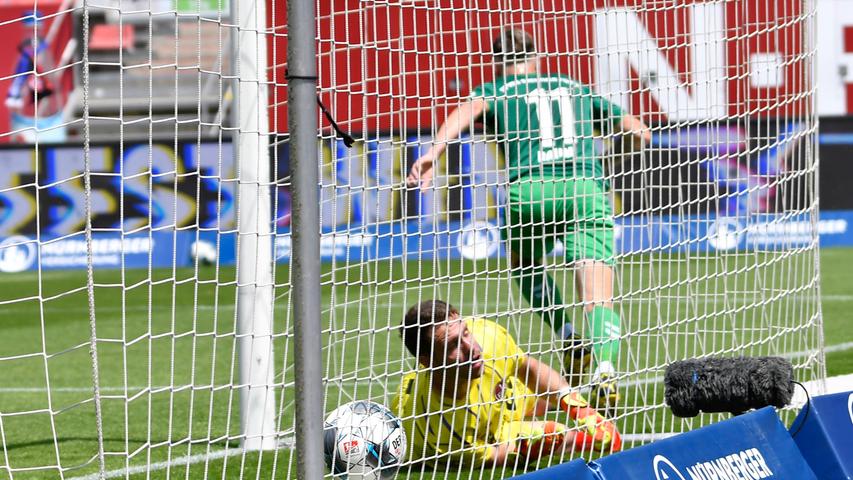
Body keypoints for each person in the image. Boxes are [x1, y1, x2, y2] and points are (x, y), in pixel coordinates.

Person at [406, 29, 651, 412]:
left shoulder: (498, 89)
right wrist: (614, 155)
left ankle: (567, 333)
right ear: (536, 56)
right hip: (583, 188)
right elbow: (639, 132)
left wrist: (433, 153)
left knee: (524, 265)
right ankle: (604, 367)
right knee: (597, 295)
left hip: (529, 189)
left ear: (498, 62)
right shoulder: (574, 87)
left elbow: (465, 112)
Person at [391, 299, 621, 467]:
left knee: (533, 397)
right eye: (453, 345)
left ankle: (571, 378)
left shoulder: (485, 337)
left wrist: (579, 408)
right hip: (484, 434)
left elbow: (526, 369)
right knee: (552, 435)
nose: (472, 348)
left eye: (466, 333)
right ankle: (573, 393)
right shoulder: (439, 428)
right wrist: (583, 440)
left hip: (499, 396)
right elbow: (493, 456)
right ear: (427, 361)